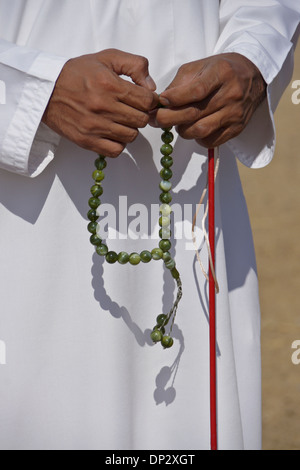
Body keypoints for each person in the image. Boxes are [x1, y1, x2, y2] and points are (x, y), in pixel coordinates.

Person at [0, 0, 299, 451]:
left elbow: (268, 9)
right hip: (31, 215)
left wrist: (252, 61)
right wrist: (35, 90)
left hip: (195, 192)